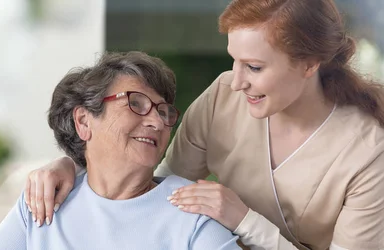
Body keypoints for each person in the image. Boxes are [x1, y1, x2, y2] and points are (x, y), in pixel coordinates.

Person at [22, 0, 384, 249]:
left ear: (309, 64)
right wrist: (72, 163)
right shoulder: (225, 96)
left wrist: (243, 219)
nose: (236, 80)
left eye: (254, 67)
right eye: (234, 61)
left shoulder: (367, 153)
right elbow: (148, 186)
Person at [0, 51, 241, 249]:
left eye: (163, 111)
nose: (157, 121)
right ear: (83, 121)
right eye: (136, 103)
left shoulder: (191, 214)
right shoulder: (43, 202)